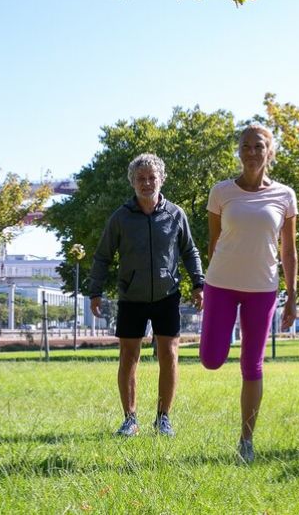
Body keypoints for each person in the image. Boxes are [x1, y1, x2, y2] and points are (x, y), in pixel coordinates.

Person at [199, 123, 298, 463]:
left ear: (269, 151)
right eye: (246, 146)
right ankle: (218, 344)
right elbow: (213, 243)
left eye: (259, 146)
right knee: (212, 359)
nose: (252, 152)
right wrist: (218, 275)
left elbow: (288, 251)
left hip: (262, 288)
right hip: (221, 284)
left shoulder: (285, 195)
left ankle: (246, 441)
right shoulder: (221, 192)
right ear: (239, 151)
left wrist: (293, 295)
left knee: (252, 364)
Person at [88, 153, 205, 438]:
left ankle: (163, 418)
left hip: (168, 296)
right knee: (128, 357)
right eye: (141, 179)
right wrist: (95, 291)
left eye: (152, 177)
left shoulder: (176, 214)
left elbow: (190, 251)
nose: (147, 183)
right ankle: (130, 419)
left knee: (170, 354)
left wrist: (199, 283)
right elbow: (103, 256)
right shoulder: (121, 217)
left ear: (161, 179)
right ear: (132, 182)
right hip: (132, 297)